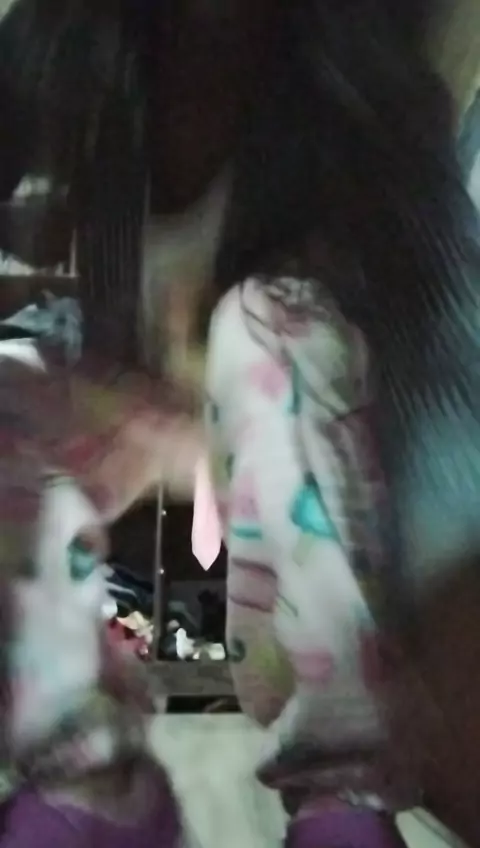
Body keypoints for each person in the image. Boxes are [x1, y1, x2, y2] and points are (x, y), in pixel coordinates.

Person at [0, 0, 479, 846]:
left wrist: (195, 444)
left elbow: (447, 456)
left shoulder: (376, 135)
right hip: (117, 585)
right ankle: (92, 781)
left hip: (300, 599)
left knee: (271, 325)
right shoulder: (55, 74)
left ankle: (341, 792)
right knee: (16, 380)